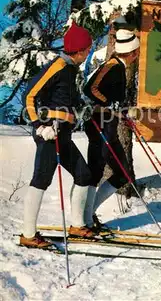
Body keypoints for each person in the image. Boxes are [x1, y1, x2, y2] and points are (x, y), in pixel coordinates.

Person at [20, 23, 96, 249]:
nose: (88, 53)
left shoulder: (71, 69)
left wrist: (82, 107)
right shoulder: (59, 66)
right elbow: (29, 95)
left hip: (63, 134)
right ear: (80, 50)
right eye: (88, 49)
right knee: (41, 179)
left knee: (84, 175)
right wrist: (39, 126)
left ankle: (77, 225)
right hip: (49, 134)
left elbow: (65, 99)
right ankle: (28, 234)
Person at [82, 29, 140, 231]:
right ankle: (85, 220)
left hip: (109, 124)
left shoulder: (120, 68)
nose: (138, 54)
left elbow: (113, 99)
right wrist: (110, 104)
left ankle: (87, 214)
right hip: (99, 123)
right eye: (137, 51)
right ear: (132, 52)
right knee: (96, 172)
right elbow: (89, 88)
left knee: (120, 172)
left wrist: (124, 111)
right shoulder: (113, 65)